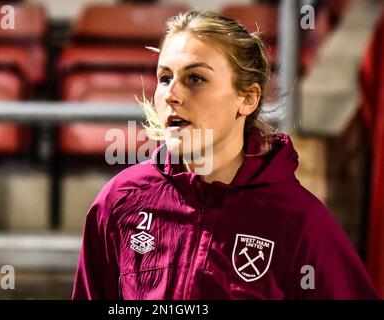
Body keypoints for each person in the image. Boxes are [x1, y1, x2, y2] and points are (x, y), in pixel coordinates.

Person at [72, 10, 380, 300]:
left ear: (247, 98)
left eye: (195, 78)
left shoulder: (300, 224)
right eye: (165, 77)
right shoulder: (119, 201)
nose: (170, 94)